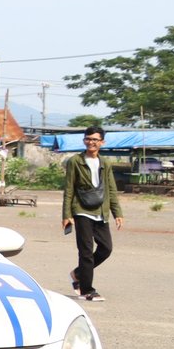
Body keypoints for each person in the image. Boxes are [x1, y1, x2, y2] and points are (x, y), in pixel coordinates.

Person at [62, 125, 123, 303]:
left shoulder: (105, 163)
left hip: (101, 211)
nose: (91, 142)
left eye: (95, 139)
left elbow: (111, 188)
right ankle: (87, 290)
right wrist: (66, 215)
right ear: (84, 141)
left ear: (101, 142)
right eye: (88, 139)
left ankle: (78, 274)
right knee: (86, 252)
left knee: (106, 248)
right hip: (81, 211)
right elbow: (69, 189)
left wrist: (116, 212)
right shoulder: (75, 161)